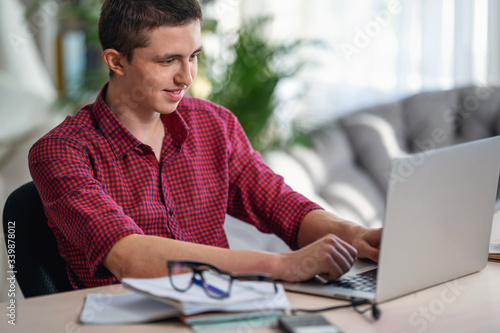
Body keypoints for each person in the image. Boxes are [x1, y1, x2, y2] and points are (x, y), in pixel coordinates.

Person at [28, 0, 381, 289]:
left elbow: (279, 204)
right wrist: (280, 265)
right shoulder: (61, 151)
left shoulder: (215, 123)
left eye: (193, 55)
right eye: (168, 61)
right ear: (116, 61)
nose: (186, 77)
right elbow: (128, 257)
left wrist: (354, 233)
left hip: (223, 312)